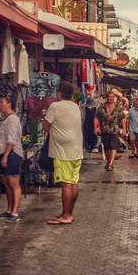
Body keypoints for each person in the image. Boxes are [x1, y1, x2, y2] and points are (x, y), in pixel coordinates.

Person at [43, 82, 83, 225]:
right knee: (73, 182)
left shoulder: (55, 106)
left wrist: (56, 135)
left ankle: (65, 216)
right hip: (76, 151)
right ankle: (68, 214)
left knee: (66, 184)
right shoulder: (76, 107)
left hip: (63, 152)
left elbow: (45, 126)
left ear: (59, 93)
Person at [0, 94, 24, 223]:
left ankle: (15, 213)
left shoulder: (12, 119)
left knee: (13, 184)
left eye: (2, 102)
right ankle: (10, 210)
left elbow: (11, 140)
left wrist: (5, 156)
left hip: (11, 154)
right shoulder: (6, 119)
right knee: (7, 184)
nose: (0, 105)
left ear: (9, 104)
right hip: (3, 154)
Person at [94, 91, 127, 171]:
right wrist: (95, 127)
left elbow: (122, 119)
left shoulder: (118, 108)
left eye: (113, 97)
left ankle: (110, 164)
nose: (111, 98)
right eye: (110, 96)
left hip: (115, 131)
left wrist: (124, 130)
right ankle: (109, 162)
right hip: (104, 131)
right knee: (106, 148)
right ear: (107, 97)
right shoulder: (101, 107)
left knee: (113, 147)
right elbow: (96, 117)